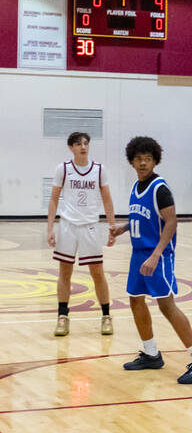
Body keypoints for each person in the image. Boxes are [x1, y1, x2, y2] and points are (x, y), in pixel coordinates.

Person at [111, 136, 192, 385]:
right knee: (135, 301)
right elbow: (146, 218)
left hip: (158, 255)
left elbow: (171, 221)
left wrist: (157, 254)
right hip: (138, 255)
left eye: (147, 159)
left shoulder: (160, 188)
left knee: (167, 306)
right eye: (138, 159)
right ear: (132, 161)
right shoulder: (136, 186)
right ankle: (150, 353)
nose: (143, 163)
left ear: (155, 160)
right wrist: (123, 229)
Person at [47, 132, 117, 337]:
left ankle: (106, 316)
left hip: (90, 226)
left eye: (86, 143)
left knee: (97, 273)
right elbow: (53, 200)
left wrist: (112, 227)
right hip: (68, 225)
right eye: (78, 144)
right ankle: (62, 316)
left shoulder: (99, 170)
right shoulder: (63, 169)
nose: (83, 147)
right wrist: (50, 228)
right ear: (71, 148)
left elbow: (107, 200)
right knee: (65, 272)